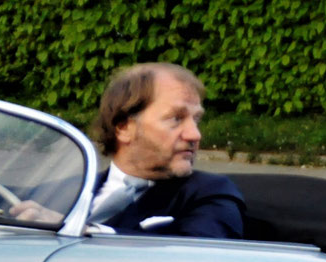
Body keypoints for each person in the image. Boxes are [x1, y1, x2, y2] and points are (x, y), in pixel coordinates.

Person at [86, 63, 244, 239]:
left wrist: (89, 232)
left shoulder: (211, 192)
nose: (195, 135)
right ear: (124, 128)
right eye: (176, 118)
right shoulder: (72, 189)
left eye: (196, 119)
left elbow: (201, 255)